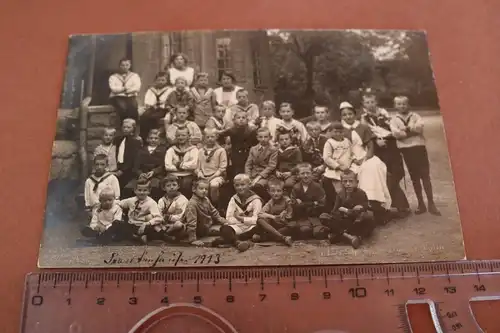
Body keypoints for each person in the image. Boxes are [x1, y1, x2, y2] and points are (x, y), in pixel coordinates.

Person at [340, 102, 392, 224]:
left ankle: (377, 207)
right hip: (347, 158)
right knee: (353, 173)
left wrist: (364, 159)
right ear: (341, 116)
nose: (348, 117)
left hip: (365, 156)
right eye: (344, 115)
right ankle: (362, 209)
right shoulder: (339, 129)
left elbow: (370, 146)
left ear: (355, 114)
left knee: (372, 167)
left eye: (350, 114)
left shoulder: (363, 127)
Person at [360, 92, 410, 217]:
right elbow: (366, 131)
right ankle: (395, 205)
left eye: (372, 102)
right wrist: (376, 140)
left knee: (396, 173)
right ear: (363, 104)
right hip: (378, 148)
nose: (370, 104)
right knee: (385, 175)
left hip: (391, 144)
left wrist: (389, 133)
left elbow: (391, 127)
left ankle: (396, 204)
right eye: (367, 102)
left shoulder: (384, 113)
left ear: (376, 102)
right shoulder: (364, 117)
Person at [390, 96, 441, 216]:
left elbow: (419, 128)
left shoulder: (415, 116)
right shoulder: (394, 120)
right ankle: (421, 204)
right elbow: (396, 134)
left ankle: (431, 203)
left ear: (408, 105)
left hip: (419, 148)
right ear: (395, 106)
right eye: (399, 104)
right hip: (407, 150)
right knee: (415, 178)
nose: (402, 106)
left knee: (425, 176)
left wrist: (406, 130)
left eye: (404, 104)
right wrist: (410, 131)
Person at [320, 170, 376, 249]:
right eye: (345, 181)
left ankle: (342, 236)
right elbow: (334, 211)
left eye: (351, 181)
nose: (348, 184)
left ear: (356, 182)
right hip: (344, 221)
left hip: (356, 221)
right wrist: (341, 213)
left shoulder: (361, 193)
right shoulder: (340, 194)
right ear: (341, 182)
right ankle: (348, 237)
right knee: (324, 216)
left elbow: (364, 207)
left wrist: (347, 210)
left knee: (367, 217)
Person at [213, 174, 263, 252]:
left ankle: (230, 239)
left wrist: (241, 219)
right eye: (237, 185)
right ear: (234, 186)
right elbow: (229, 218)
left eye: (243, 185)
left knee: (259, 228)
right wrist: (239, 221)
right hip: (237, 227)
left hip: (251, 227)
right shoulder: (234, 199)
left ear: (249, 185)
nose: (240, 188)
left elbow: (257, 219)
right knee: (224, 228)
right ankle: (237, 242)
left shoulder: (256, 200)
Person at [322, 121, 361, 206]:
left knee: (350, 187)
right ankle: (340, 207)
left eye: (340, 132)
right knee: (340, 191)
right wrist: (338, 166)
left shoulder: (347, 141)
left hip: (348, 169)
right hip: (336, 171)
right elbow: (327, 158)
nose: (338, 134)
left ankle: (350, 205)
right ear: (331, 132)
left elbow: (351, 153)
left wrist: (354, 159)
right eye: (335, 132)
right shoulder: (329, 143)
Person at [183, 179, 228, 246]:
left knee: (227, 227)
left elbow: (214, 212)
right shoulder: (192, 204)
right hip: (198, 230)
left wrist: (222, 220)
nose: (204, 191)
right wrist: (193, 239)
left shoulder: (206, 199)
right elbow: (191, 222)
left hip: (207, 226)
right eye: (201, 189)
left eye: (206, 189)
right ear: (194, 189)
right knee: (224, 231)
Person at [290, 163, 328, 240]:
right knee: (305, 231)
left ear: (312, 174)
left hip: (315, 216)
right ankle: (308, 230)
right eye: (302, 173)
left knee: (319, 233)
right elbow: (294, 205)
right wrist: (313, 203)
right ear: (298, 175)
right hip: (302, 217)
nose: (305, 176)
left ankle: (321, 229)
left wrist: (303, 204)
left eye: (308, 173)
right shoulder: (296, 188)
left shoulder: (317, 187)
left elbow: (322, 204)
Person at [126, 129, 167, 201]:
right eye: (151, 138)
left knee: (155, 187)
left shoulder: (163, 150)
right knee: (129, 187)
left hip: (156, 176)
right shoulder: (141, 150)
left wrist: (154, 172)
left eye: (156, 138)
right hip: (141, 175)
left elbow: (163, 165)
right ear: (147, 139)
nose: (153, 140)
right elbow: (136, 166)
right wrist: (141, 173)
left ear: (159, 140)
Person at [255, 179, 294, 246]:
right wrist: (273, 217)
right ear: (268, 191)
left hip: (283, 225)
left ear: (283, 191)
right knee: (260, 220)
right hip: (273, 225)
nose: (275, 193)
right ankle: (283, 237)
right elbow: (260, 214)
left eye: (278, 191)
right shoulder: (270, 202)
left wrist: (283, 215)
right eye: (273, 191)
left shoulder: (287, 201)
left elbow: (289, 216)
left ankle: (266, 237)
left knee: (292, 226)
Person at [196, 128, 228, 207]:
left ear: (216, 137)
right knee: (201, 186)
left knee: (214, 185)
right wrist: (200, 174)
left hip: (216, 175)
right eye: (208, 137)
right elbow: (197, 167)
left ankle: (214, 205)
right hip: (203, 175)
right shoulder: (200, 151)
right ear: (204, 137)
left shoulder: (221, 150)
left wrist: (211, 177)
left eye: (212, 137)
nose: (210, 139)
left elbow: (222, 168)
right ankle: (203, 205)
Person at [152, 175, 189, 242]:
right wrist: (161, 219)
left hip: (175, 225)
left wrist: (169, 217)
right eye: (168, 186)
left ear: (178, 186)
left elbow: (181, 217)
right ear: (164, 188)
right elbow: (158, 213)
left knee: (178, 224)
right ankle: (166, 236)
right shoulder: (161, 200)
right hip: (163, 224)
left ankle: (164, 234)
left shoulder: (183, 200)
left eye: (174, 185)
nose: (171, 187)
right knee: (150, 218)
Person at [221, 111, 258, 178]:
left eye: (243, 118)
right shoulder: (231, 130)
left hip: (248, 154)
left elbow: (256, 143)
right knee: (237, 172)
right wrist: (224, 146)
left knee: (247, 171)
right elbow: (220, 135)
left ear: (247, 120)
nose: (241, 119)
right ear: (234, 120)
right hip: (236, 155)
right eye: (238, 118)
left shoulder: (251, 130)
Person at [164, 127, 199, 198]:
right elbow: (167, 166)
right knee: (171, 185)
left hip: (188, 175)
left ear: (189, 136)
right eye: (178, 135)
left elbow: (194, 165)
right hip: (173, 174)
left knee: (186, 184)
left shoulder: (193, 149)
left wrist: (178, 164)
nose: (181, 137)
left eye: (183, 135)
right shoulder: (171, 150)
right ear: (176, 136)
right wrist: (185, 167)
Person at [245, 127, 278, 201]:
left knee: (257, 186)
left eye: (265, 137)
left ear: (270, 137)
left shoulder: (273, 149)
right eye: (260, 137)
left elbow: (271, 166)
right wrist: (248, 176)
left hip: (266, 176)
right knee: (243, 185)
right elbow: (248, 164)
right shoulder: (253, 149)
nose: (263, 139)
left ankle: (265, 202)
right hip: (253, 174)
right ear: (257, 137)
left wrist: (258, 177)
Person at [141, 71, 173, 142]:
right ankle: (144, 136)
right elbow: (147, 100)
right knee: (144, 116)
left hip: (163, 108)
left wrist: (162, 103)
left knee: (153, 117)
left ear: (167, 81)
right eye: (159, 80)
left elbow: (169, 100)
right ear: (155, 80)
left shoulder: (170, 90)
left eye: (163, 80)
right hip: (152, 107)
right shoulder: (151, 90)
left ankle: (154, 135)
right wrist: (152, 105)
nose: (160, 82)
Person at [108, 58, 141, 124]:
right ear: (119, 66)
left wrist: (126, 91)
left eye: (127, 65)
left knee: (134, 107)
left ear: (130, 65)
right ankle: (124, 126)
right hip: (117, 96)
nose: (125, 67)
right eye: (122, 65)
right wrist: (125, 88)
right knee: (123, 108)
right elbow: (113, 89)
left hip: (130, 96)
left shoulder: (134, 76)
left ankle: (133, 127)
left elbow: (136, 88)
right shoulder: (113, 77)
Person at [114, 118, 142, 194]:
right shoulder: (118, 139)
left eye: (128, 127)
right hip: (118, 166)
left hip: (128, 169)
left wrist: (122, 170)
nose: (126, 129)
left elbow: (132, 158)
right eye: (124, 127)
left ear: (133, 129)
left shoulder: (136, 141)